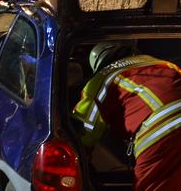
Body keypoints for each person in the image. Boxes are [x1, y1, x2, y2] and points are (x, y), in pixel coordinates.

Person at [73, 42, 181, 191]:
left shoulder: (102, 78)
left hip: (160, 130)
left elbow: (84, 131)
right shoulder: (164, 64)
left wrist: (78, 165)